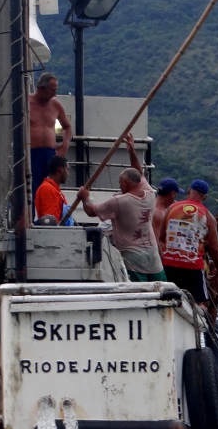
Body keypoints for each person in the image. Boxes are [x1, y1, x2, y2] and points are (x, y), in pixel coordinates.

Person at [76, 168, 166, 282]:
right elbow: (139, 171)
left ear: (125, 182)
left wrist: (85, 197)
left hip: (133, 260)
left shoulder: (119, 202)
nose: (119, 186)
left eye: (120, 183)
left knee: (138, 294)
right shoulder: (150, 194)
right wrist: (131, 152)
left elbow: (91, 211)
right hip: (153, 258)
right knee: (161, 293)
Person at [159, 179, 218, 307]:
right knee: (202, 302)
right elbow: (215, 248)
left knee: (168, 297)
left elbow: (161, 238)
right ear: (205, 197)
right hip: (193, 266)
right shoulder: (207, 216)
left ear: (189, 190)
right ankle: (199, 326)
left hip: (169, 263)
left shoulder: (172, 208)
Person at [29, 73, 72, 203]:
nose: (54, 94)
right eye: (52, 90)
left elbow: (68, 127)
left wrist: (64, 145)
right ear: (41, 88)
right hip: (31, 152)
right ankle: (30, 219)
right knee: (31, 187)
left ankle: (50, 217)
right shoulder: (26, 102)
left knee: (50, 186)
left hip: (49, 153)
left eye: (55, 91)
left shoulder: (55, 105)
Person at [33, 155, 74, 225]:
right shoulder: (47, 189)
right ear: (60, 170)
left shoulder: (54, 189)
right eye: (67, 169)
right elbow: (51, 221)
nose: (68, 173)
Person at [153, 177, 182, 245]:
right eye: (176, 194)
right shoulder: (158, 214)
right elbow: (157, 242)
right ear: (173, 194)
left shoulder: (153, 205)